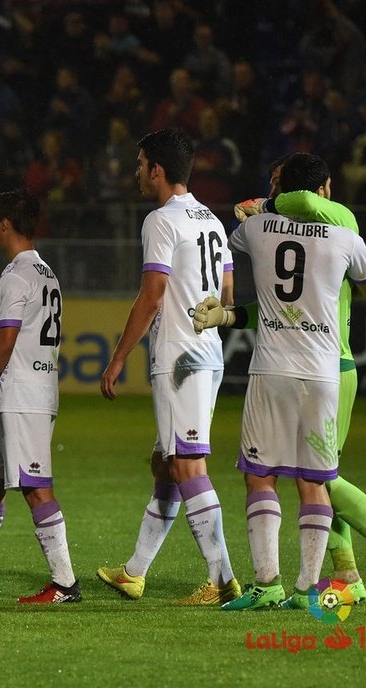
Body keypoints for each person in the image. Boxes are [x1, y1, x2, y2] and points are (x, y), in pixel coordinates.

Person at [215, 160, 366, 608]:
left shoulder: (270, 227)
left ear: (289, 192)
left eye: (276, 185)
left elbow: (240, 241)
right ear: (325, 186)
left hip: (290, 368)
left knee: (276, 477)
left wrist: (262, 207)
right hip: (326, 368)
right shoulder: (346, 235)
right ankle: (337, 576)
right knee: (317, 478)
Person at [96, 128, 240, 606]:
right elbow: (228, 300)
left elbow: (153, 294)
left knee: (186, 462)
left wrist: (118, 357)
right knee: (166, 463)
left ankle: (222, 580)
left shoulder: (161, 220)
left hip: (179, 358)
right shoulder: (213, 222)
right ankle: (134, 571)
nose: (136, 173)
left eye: (140, 165)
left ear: (156, 169)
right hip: (208, 352)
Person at [0, 189, 80, 604]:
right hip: (29, 391)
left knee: (35, 487)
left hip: (22, 395)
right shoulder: (45, 272)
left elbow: (5, 340)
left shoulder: (15, 277)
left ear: (3, 224)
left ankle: (65, 582)